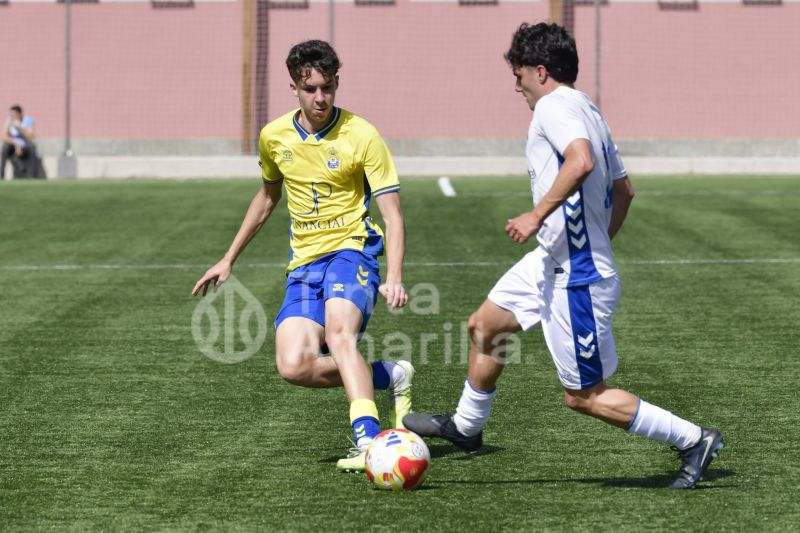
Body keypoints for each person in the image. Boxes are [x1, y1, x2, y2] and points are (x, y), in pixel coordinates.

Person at [404, 23, 723, 490]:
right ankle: (467, 428)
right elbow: (624, 191)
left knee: (584, 396)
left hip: (575, 274)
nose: (516, 86)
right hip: (555, 259)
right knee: (486, 324)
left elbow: (581, 162)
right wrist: (593, 241)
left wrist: (539, 216)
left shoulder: (554, 106)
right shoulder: (589, 108)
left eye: (518, 76)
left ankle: (694, 440)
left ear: (540, 71)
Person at [192, 40, 413, 473]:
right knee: (293, 365)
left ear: (336, 84)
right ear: (293, 86)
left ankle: (369, 440)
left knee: (339, 333)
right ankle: (390, 375)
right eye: (310, 88)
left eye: (327, 88)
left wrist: (396, 274)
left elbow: (393, 215)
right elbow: (267, 198)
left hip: (352, 249)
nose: (320, 98)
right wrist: (228, 257)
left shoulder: (362, 134)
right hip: (304, 263)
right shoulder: (274, 137)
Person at [1, 105, 36, 179]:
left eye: (14, 114)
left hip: (24, 145)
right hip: (12, 144)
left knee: (31, 148)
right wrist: (16, 144)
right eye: (11, 114)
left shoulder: (27, 121)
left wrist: (21, 128)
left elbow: (30, 137)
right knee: (5, 148)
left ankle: (31, 174)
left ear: (19, 114)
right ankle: (1, 174)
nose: (12, 116)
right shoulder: (9, 121)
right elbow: (3, 135)